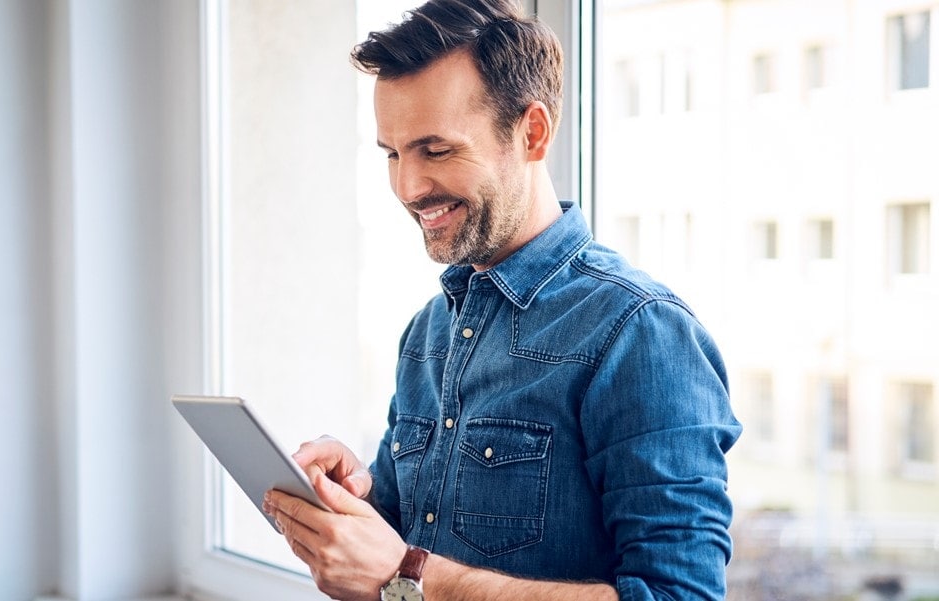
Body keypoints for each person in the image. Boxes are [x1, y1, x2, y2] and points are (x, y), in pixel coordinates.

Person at [261, 0, 742, 599]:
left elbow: (682, 595)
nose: (408, 187)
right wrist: (355, 504)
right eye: (392, 153)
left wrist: (406, 575)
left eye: (436, 150)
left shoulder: (640, 333)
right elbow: (409, 541)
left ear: (532, 132)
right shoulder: (428, 331)